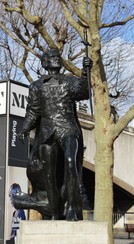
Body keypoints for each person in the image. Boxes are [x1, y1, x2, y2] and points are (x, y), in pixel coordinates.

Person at [17, 48, 92, 221]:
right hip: (47, 131)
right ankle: (54, 212)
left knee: (71, 162)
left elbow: (83, 92)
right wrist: (24, 129)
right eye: (52, 57)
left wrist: (86, 73)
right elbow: (33, 110)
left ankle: (73, 208)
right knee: (48, 175)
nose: (56, 59)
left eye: (58, 56)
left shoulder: (68, 81)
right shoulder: (36, 86)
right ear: (45, 62)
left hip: (68, 129)